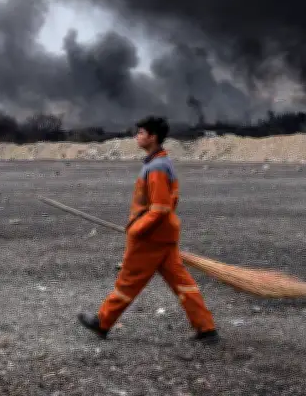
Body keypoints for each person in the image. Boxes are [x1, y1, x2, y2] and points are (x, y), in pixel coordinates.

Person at [77, 115, 219, 344]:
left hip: (150, 238)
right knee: (182, 284)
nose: (137, 136)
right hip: (164, 235)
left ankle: (102, 322)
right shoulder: (162, 163)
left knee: (128, 281)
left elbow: (160, 208)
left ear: (152, 137)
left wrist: (136, 230)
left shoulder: (157, 168)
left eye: (141, 133)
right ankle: (206, 329)